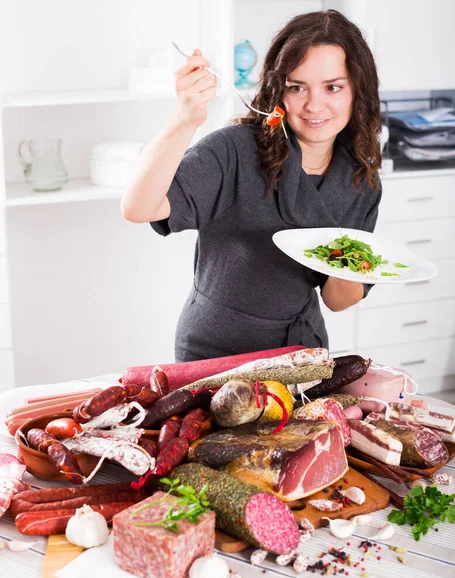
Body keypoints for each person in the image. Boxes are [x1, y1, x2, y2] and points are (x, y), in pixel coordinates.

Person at [121, 9, 382, 362]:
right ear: (278, 89)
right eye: (297, 87)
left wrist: (351, 264)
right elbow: (138, 207)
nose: (314, 105)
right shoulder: (235, 150)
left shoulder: (359, 180)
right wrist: (186, 118)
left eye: (333, 87)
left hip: (298, 355)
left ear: (357, 91)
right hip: (213, 355)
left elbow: (337, 301)